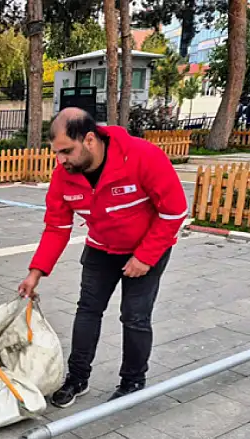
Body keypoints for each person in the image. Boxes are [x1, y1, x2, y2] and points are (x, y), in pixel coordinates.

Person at [18, 107, 187, 407]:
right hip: (100, 247)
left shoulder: (142, 157)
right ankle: (77, 377)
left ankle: (133, 381)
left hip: (146, 250)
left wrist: (145, 257)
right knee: (87, 311)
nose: (60, 161)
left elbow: (174, 212)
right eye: (56, 153)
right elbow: (57, 227)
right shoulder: (64, 176)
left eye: (67, 151)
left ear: (90, 140)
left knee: (134, 317)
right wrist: (36, 272)